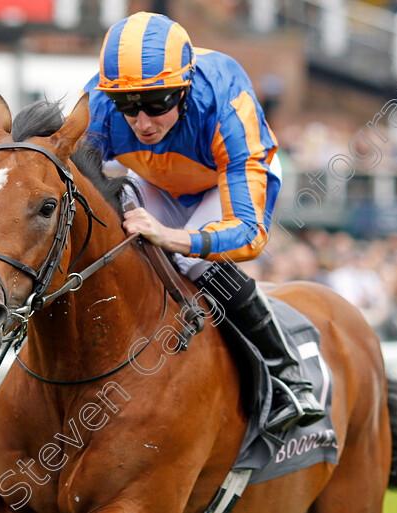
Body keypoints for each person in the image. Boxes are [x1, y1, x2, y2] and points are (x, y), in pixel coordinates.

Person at [83, 12, 323, 431]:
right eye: (128, 106)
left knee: (196, 264)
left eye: (158, 103)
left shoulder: (226, 102)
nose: (142, 122)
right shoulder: (101, 103)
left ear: (185, 87)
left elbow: (249, 235)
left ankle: (286, 372)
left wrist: (174, 237)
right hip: (155, 176)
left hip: (224, 182)